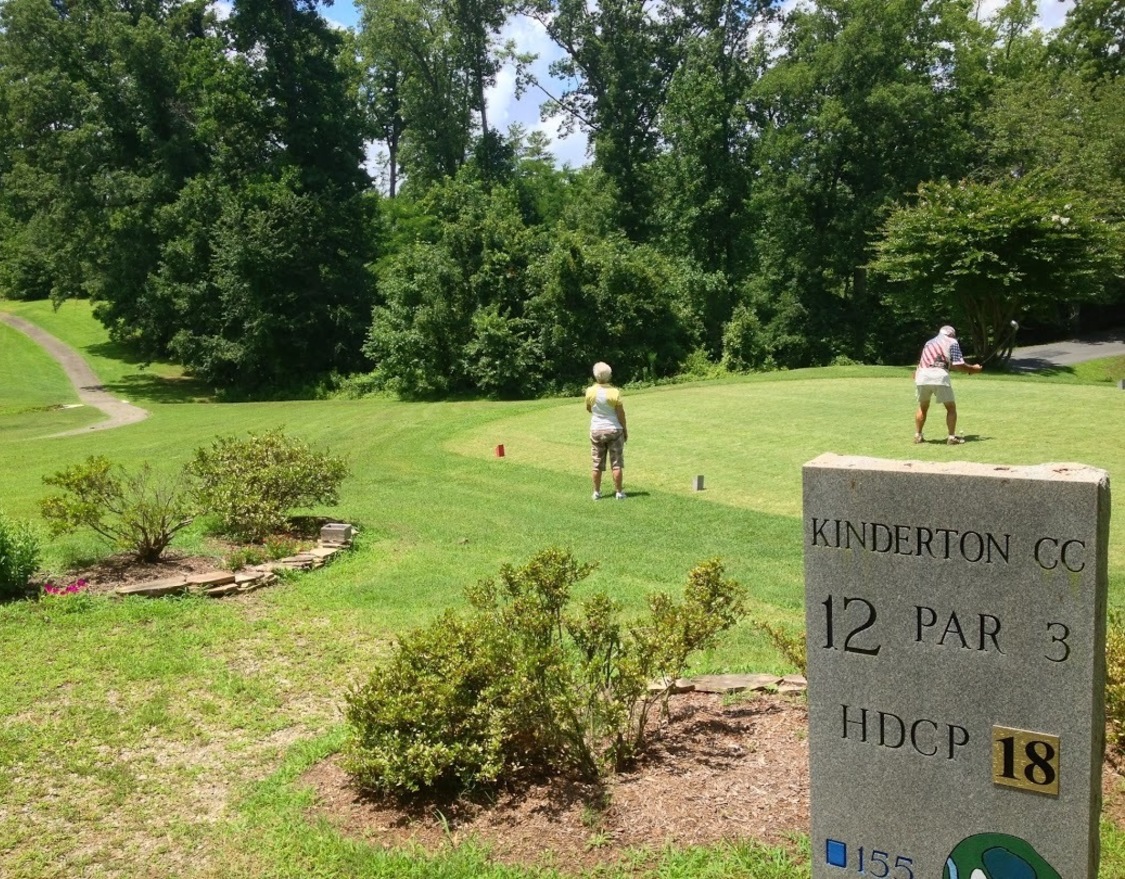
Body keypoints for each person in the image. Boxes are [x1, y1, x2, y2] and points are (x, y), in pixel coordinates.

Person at [913, 325, 983, 445]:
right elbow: (958, 364)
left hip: (922, 376)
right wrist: (973, 369)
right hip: (939, 376)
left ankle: (918, 435)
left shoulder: (929, 343)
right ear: (951, 334)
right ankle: (951, 437)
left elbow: (930, 362)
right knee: (951, 408)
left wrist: (969, 370)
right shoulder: (952, 342)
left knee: (923, 406)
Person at [585, 361, 628, 500]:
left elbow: (589, 408)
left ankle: (596, 492)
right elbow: (621, 414)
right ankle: (619, 492)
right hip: (614, 429)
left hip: (596, 430)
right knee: (616, 464)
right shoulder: (614, 392)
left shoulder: (590, 391)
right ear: (609, 376)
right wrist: (625, 430)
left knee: (597, 464)